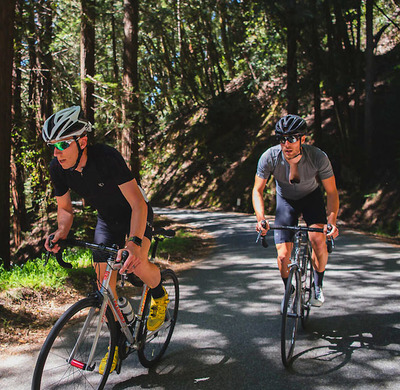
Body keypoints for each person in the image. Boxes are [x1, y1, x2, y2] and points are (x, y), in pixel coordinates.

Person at [43, 106, 169, 374]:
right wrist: (61, 232)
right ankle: (116, 345)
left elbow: (137, 203)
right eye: (53, 146)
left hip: (135, 213)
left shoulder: (107, 158)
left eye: (63, 144)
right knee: (105, 289)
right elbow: (65, 209)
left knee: (135, 263)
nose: (56, 152)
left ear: (82, 141)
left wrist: (133, 243)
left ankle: (159, 295)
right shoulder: (58, 167)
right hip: (107, 220)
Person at [252, 114, 339, 311]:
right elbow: (257, 190)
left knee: (318, 240)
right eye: (282, 139)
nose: (286, 144)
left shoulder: (318, 157)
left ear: (303, 139)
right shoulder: (269, 157)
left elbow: (332, 192)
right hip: (286, 201)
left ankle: (318, 284)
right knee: (283, 256)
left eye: (291, 138)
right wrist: (261, 219)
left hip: (311, 198)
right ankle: (289, 290)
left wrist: (331, 222)